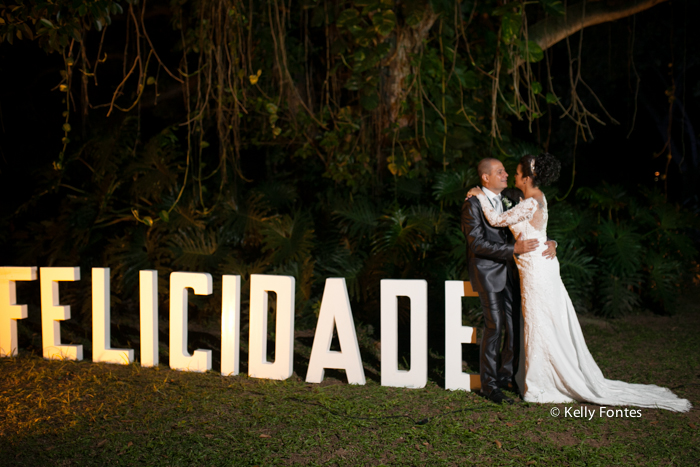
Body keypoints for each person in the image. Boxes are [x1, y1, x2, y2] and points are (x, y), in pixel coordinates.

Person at [467, 153, 692, 412]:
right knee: (542, 321)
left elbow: (496, 220)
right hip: (537, 265)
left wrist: (478, 194)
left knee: (540, 322)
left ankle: (542, 382)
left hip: (537, 269)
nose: (512, 176)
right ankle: (536, 377)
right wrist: (552, 242)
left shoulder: (529, 201)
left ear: (527, 178)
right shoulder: (534, 198)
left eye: (516, 173)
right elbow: (538, 231)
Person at [461, 157, 557, 404]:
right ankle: (489, 386)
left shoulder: (515, 197)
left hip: (515, 272)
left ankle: (507, 375)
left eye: (507, 172)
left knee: (515, 328)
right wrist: (513, 249)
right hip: (487, 271)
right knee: (495, 327)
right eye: (500, 172)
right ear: (485, 178)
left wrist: (552, 242)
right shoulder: (472, 203)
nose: (506, 175)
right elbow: (477, 243)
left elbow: (534, 222)